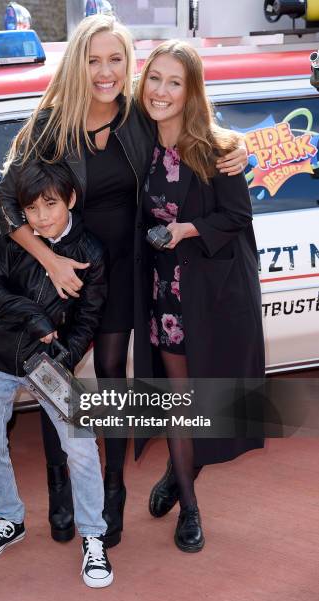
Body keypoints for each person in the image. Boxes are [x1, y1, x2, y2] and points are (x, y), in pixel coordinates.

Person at [0, 14, 248, 547]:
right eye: (94, 60)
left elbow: (194, 127)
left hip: (126, 271)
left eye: (116, 60)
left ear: (127, 65)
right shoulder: (49, 124)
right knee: (54, 375)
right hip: (63, 271)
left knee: (110, 374)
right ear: (78, 64)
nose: (105, 72)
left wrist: (238, 146)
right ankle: (60, 492)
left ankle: (112, 493)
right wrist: (49, 260)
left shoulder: (137, 115)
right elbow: (4, 202)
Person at [133, 40, 265, 552]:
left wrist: (187, 229)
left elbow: (237, 218)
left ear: (191, 93)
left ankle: (178, 468)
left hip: (208, 293)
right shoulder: (137, 139)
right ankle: (190, 506)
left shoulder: (215, 149)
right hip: (161, 295)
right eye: (154, 79)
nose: (161, 91)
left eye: (174, 82)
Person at [0, 161, 114, 589]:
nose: (41, 217)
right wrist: (33, 315)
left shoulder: (90, 251)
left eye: (50, 205)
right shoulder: (12, 240)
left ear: (70, 200)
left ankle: (94, 537)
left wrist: (62, 357)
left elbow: (89, 318)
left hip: (51, 365)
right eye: (31, 208)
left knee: (83, 450)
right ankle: (9, 519)